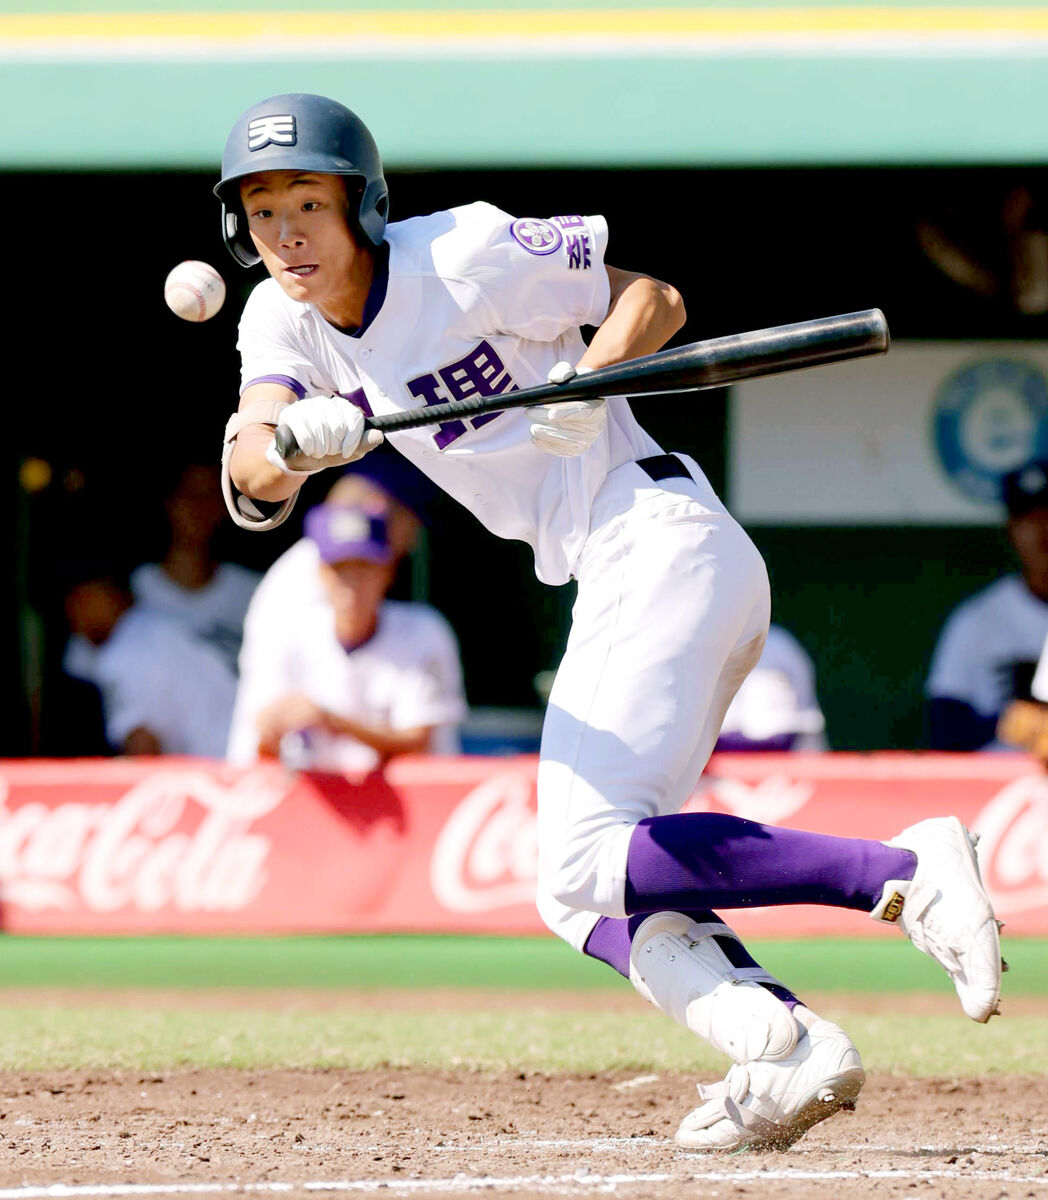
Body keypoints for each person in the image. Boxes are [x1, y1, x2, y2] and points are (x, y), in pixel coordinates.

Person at [213, 93, 1003, 1152]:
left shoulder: (464, 253)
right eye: (263, 212)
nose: (287, 234)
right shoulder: (278, 317)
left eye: (308, 201)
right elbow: (249, 467)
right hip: (620, 572)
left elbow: (653, 299)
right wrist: (301, 444)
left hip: (656, 530)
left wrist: (590, 375)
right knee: (576, 892)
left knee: (587, 856)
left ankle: (898, 872)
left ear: (362, 203)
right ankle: (778, 1042)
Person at [226, 494, 466, 771]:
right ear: (321, 573)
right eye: (340, 569)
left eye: (364, 567)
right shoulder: (289, 633)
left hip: (422, 806)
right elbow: (256, 751)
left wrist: (332, 721)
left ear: (387, 571)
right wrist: (273, 729)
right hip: (321, 802)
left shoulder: (424, 631)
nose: (352, 585)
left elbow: (420, 743)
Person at [926, 459, 1048, 751]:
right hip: (1001, 788)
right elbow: (943, 732)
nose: (1044, 530)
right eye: (1029, 518)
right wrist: (1005, 721)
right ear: (1011, 529)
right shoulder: (977, 620)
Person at [62, 566, 237, 757]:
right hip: (251, 749)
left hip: (229, 765)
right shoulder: (160, 624)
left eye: (81, 601)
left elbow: (143, 749)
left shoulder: (126, 650)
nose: (73, 614)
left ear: (110, 596)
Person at [131, 462, 261, 675]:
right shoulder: (135, 591)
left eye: (210, 496)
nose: (198, 507)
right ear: (169, 503)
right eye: (188, 494)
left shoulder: (253, 592)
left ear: (225, 508)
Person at [715, 624, 828, 752]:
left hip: (782, 738)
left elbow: (804, 698)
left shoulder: (779, 642)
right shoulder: (712, 642)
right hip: (723, 741)